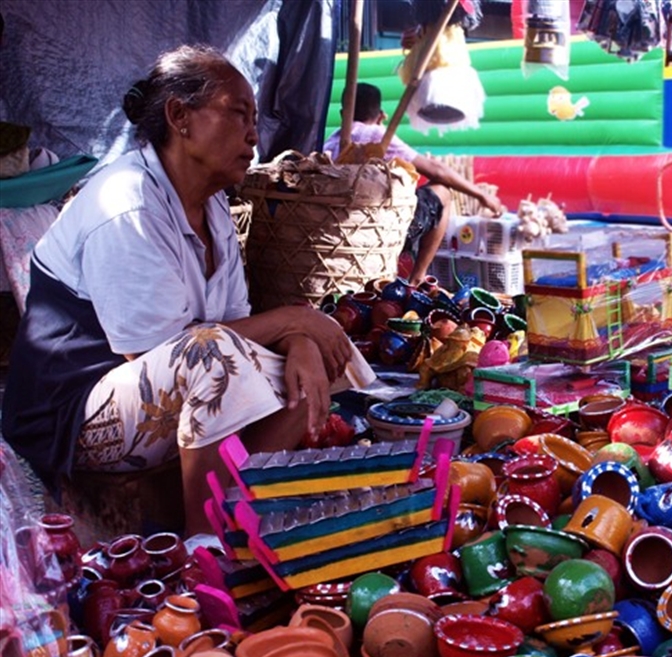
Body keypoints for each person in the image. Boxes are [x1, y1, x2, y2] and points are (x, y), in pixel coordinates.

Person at [1, 45, 354, 536]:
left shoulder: (214, 212)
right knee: (210, 354)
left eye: (255, 118)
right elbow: (162, 350)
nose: (255, 134)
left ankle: (238, 503)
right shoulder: (125, 202)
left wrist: (301, 339)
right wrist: (297, 320)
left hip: (149, 395)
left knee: (322, 354)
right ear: (179, 117)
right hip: (73, 417)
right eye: (237, 114)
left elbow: (242, 325)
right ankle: (203, 543)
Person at [322, 82, 504, 286]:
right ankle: (418, 277)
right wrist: (482, 195)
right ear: (381, 115)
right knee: (442, 191)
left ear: (342, 113)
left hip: (334, 225)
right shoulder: (378, 137)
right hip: (375, 227)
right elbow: (437, 171)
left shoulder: (332, 140)